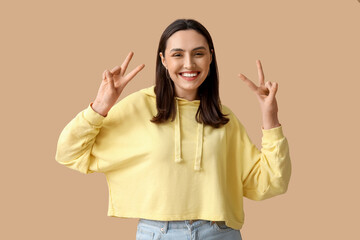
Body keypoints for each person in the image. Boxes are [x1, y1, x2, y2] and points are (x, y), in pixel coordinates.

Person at [55, 18, 291, 240]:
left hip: (220, 233)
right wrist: (100, 106)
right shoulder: (137, 107)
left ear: (211, 57)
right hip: (158, 233)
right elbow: (68, 153)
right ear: (163, 60)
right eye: (177, 54)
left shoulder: (223, 118)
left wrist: (270, 116)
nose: (189, 63)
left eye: (199, 53)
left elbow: (271, 182)